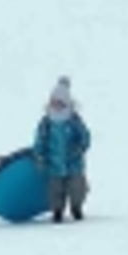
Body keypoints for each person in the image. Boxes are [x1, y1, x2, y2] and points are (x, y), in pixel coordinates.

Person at [31, 76, 91, 223]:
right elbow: (40, 140)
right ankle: (57, 211)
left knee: (77, 188)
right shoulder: (47, 123)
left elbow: (85, 137)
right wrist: (39, 155)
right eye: (53, 103)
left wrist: (79, 148)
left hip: (74, 164)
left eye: (60, 104)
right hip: (54, 164)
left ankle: (76, 207)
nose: (56, 107)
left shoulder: (74, 121)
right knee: (55, 191)